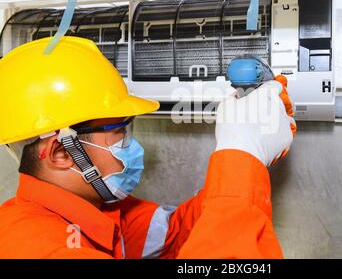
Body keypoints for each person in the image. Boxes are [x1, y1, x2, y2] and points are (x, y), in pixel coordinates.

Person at [0, 36, 296, 258]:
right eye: (118, 132)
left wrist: (244, 156)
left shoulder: (95, 211)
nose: (132, 144)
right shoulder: (39, 249)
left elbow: (172, 234)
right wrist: (243, 151)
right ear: (61, 153)